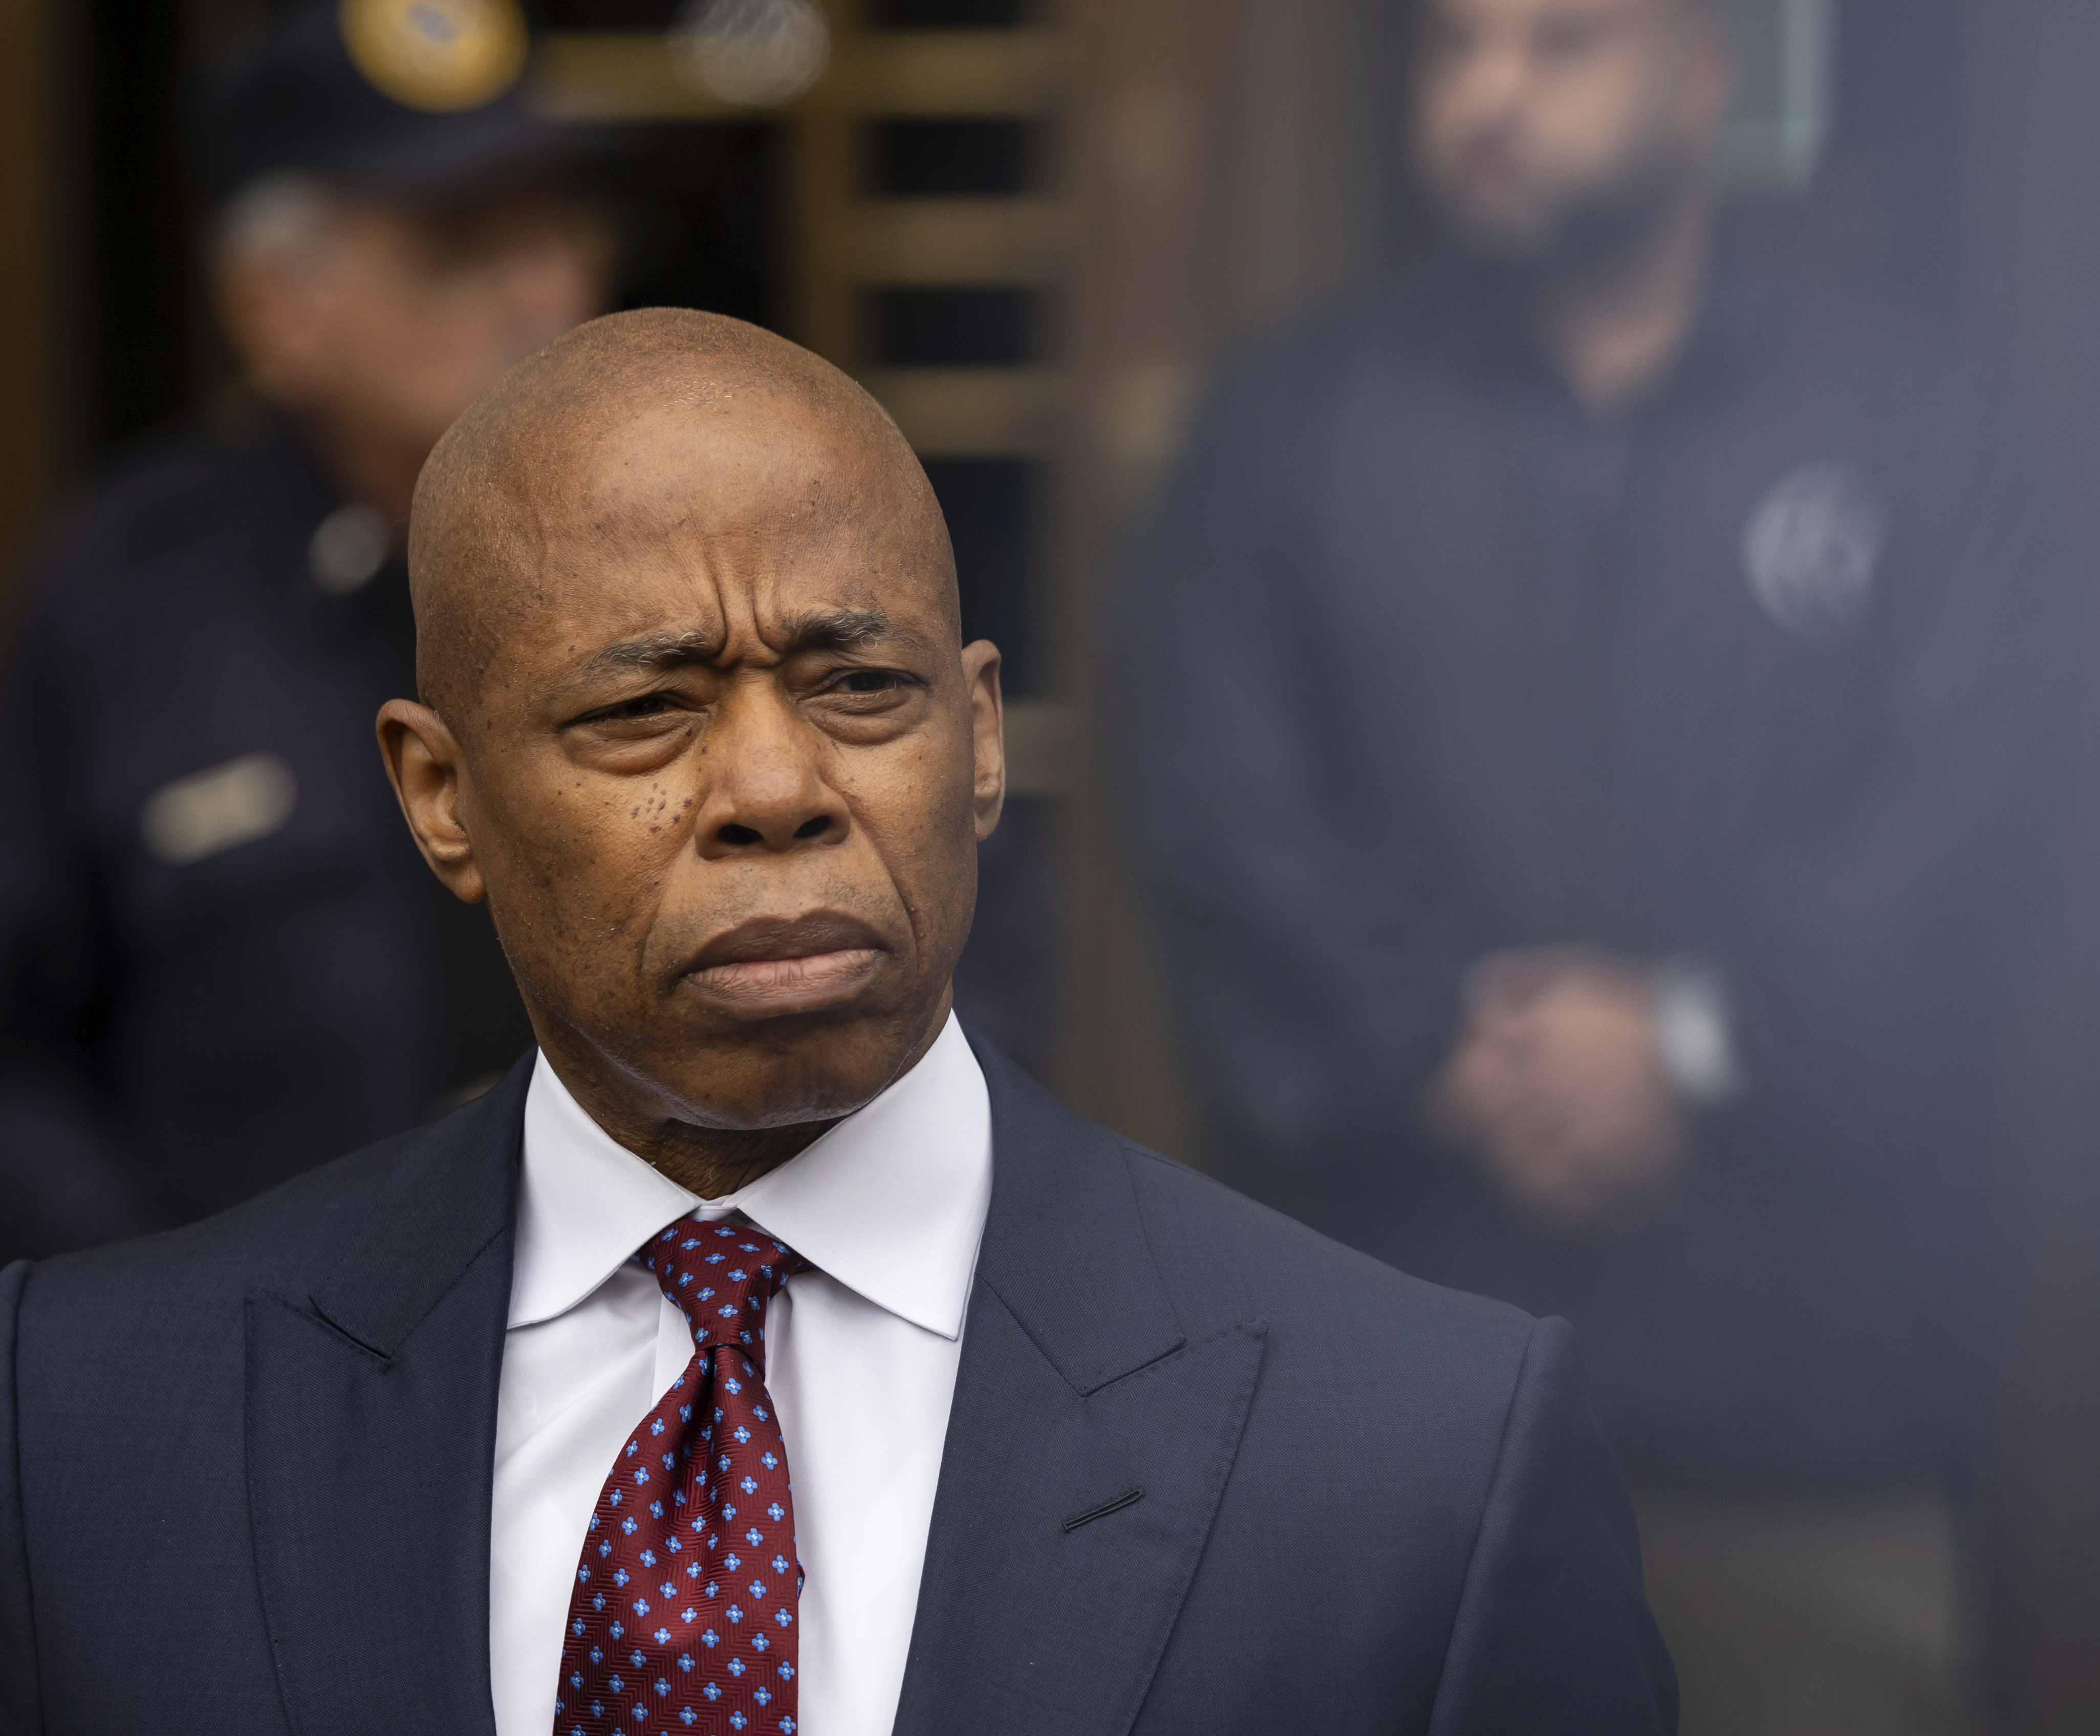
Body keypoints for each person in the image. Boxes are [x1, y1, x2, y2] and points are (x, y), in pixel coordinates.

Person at [0, 309, 1676, 1734]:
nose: (775, 787)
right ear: (439, 797)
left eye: (858, 688)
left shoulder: (1424, 1464)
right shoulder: (84, 1422)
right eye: (644, 711)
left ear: (981, 736)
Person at [1116, 0, 2072, 1722]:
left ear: (1701, 75)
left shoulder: (1912, 433)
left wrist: (1694, 1046)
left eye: (1560, 45)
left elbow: (1976, 822)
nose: (1488, 93)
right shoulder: (1288, 428)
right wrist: (1441, 1044)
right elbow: (1216, 801)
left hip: (1803, 1435)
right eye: (1453, 48)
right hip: (1378, 1462)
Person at [0, 0, 606, 1261]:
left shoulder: (702, 538)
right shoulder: (126, 606)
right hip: (256, 1380)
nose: (536, 294)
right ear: (279, 304)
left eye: (545, 225)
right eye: (453, 249)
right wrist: (154, 1328)